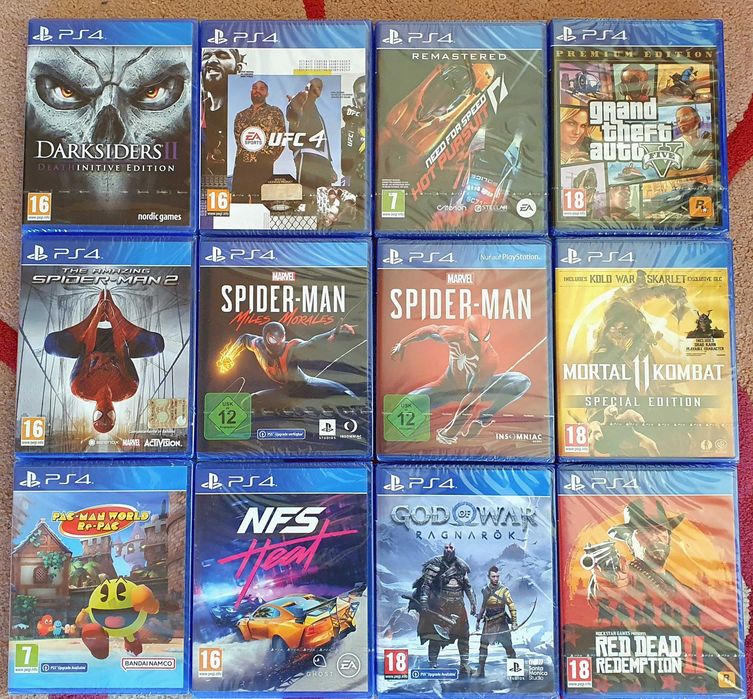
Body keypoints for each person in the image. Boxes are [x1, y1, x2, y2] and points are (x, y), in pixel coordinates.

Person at [391, 315, 530, 445]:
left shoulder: (489, 359)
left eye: (485, 338)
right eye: (475, 339)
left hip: (477, 388)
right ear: (467, 333)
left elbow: (474, 395)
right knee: (404, 408)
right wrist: (402, 344)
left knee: (521, 381)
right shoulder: (454, 334)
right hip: (446, 387)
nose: (480, 345)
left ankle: (485, 416)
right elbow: (429, 330)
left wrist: (452, 431)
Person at [44, 290, 164, 434]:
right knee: (156, 344)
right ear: (115, 415)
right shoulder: (128, 389)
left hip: (90, 343)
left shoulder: (79, 389)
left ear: (94, 413)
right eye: (110, 416)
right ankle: (117, 316)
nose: (105, 412)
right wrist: (114, 316)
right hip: (117, 344)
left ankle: (92, 316)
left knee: (51, 344)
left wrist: (96, 315)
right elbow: (122, 350)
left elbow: (86, 349)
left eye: (99, 415)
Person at [216, 320, 357, 407]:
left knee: (344, 392)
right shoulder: (257, 345)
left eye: (281, 339)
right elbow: (244, 338)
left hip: (305, 385)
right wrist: (229, 355)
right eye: (272, 340)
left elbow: (312, 342)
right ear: (265, 339)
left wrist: (333, 332)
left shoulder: (291, 349)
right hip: (286, 391)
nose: (278, 344)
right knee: (251, 401)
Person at [409, 543, 476, 677]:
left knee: (464, 635)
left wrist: (473, 603)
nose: (448, 550)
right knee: (436, 635)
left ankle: (464, 665)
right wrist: (424, 602)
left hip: (459, 605)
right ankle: (433, 662)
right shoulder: (435, 564)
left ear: (454, 550)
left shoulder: (461, 566)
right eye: (446, 548)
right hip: (441, 605)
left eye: (451, 548)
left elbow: (467, 587)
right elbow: (426, 585)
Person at [286, 78, 337, 211]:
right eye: (312, 85)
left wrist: (330, 166)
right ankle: (305, 221)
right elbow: (291, 113)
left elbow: (324, 142)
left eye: (319, 87)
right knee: (306, 198)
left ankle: (322, 223)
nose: (315, 88)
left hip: (323, 162)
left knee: (323, 200)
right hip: (306, 155)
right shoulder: (301, 99)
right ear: (307, 87)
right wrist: (295, 101)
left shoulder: (318, 115)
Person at [232, 81, 285, 202]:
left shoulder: (274, 112)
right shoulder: (241, 115)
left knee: (261, 201)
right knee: (239, 200)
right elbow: (238, 140)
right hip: (242, 165)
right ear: (251, 91)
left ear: (267, 93)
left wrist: (268, 158)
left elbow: (280, 139)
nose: (257, 90)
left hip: (263, 165)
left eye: (262, 89)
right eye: (255, 88)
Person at [201, 47, 243, 175]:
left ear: (238, 69)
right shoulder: (195, 111)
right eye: (206, 56)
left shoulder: (243, 110)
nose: (212, 60)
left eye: (222, 56)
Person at [476, 566, 518, 677]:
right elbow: (484, 606)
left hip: (501, 623)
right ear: (489, 577)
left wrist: (514, 622)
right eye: (493, 576)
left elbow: (511, 605)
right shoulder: (485, 590)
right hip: (488, 623)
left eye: (497, 576)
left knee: (509, 647)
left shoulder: (504, 590)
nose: (495, 579)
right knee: (483, 646)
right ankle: (480, 671)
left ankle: (515, 673)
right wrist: (478, 619)